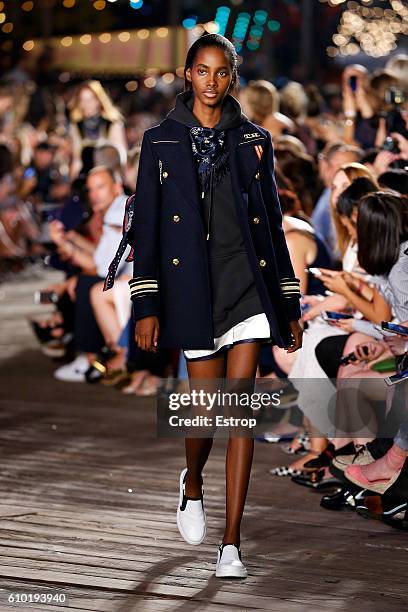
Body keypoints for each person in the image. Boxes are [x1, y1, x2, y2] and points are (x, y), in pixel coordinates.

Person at [105, 34, 302, 578]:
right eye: (202, 71)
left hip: (246, 286)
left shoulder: (254, 140)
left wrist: (288, 303)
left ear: (231, 77)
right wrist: (146, 304)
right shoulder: (160, 142)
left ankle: (231, 545)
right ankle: (192, 481)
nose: (212, 81)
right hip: (192, 290)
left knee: (238, 413)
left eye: (222, 72)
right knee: (206, 411)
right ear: (187, 74)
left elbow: (272, 227)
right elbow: (146, 226)